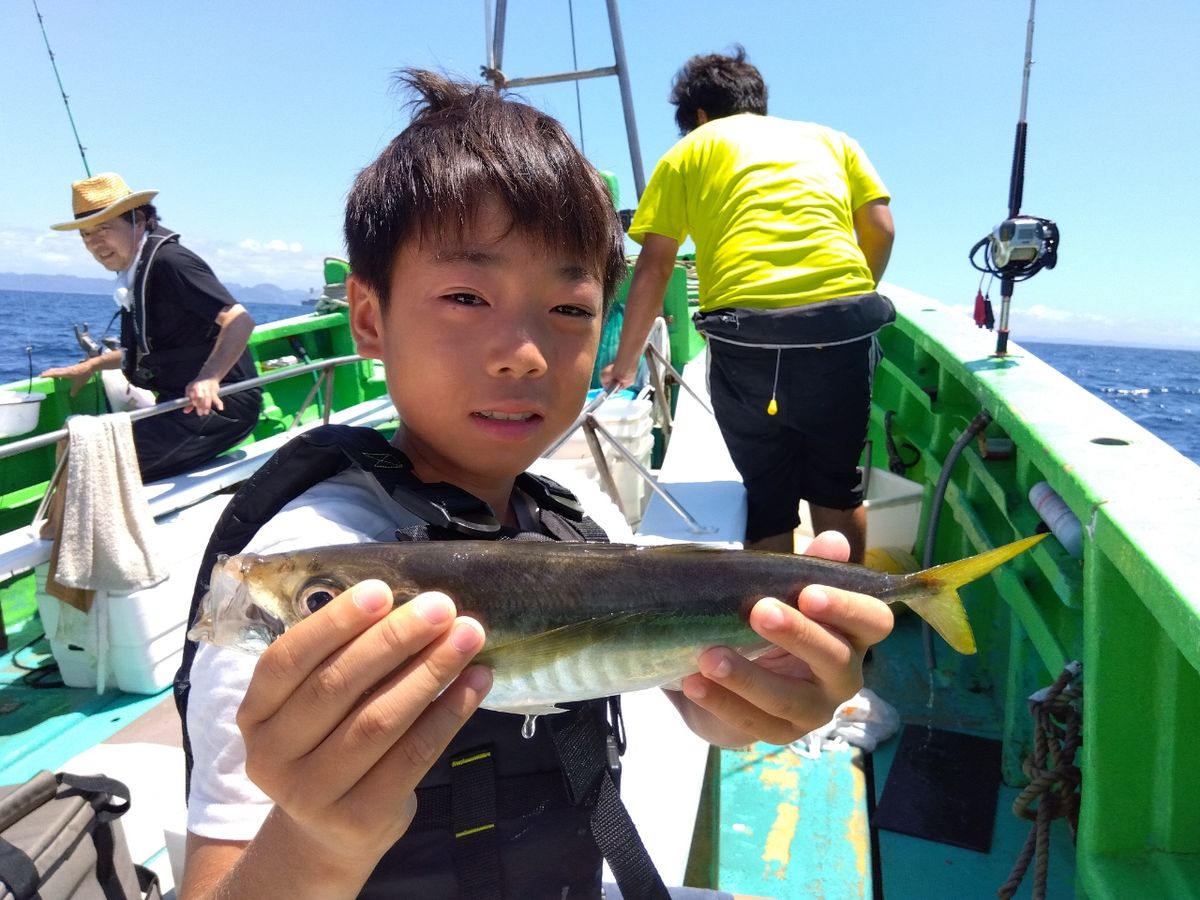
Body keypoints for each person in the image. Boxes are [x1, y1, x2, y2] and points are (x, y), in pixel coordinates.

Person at [175, 70, 894, 900]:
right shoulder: (309, 572)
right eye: (466, 295)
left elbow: (662, 684)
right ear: (366, 319)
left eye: (569, 310)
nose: (522, 350)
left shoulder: (563, 527)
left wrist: (737, 703)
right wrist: (315, 839)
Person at [604, 47, 896, 564]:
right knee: (836, 485)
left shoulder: (689, 152)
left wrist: (626, 362)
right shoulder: (833, 140)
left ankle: (775, 632)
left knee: (768, 495)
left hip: (749, 340)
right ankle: (858, 632)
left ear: (698, 115)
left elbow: (653, 266)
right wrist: (837, 306)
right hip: (844, 330)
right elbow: (880, 228)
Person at [44, 172, 262, 481]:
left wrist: (209, 378)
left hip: (217, 407)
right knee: (79, 449)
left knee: (94, 468)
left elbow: (240, 321)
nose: (95, 243)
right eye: (86, 235)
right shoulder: (137, 272)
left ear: (140, 219)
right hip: (179, 406)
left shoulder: (171, 262)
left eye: (104, 228)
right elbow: (156, 349)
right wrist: (91, 365)